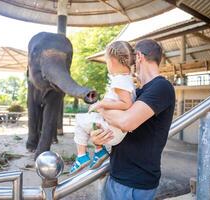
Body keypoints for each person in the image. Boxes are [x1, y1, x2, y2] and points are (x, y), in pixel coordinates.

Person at [91, 39, 176, 200]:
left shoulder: (161, 87)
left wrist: (101, 107)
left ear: (138, 57)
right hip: (119, 176)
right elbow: (118, 123)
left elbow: (126, 122)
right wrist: (98, 139)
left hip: (133, 183)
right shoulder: (136, 92)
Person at [70, 41, 136, 175]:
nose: (107, 66)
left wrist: (100, 104)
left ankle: (82, 156)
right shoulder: (127, 79)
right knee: (87, 119)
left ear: (112, 61)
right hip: (114, 130)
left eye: (106, 62)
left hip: (111, 131)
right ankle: (98, 151)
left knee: (79, 121)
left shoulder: (119, 81)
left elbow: (126, 104)